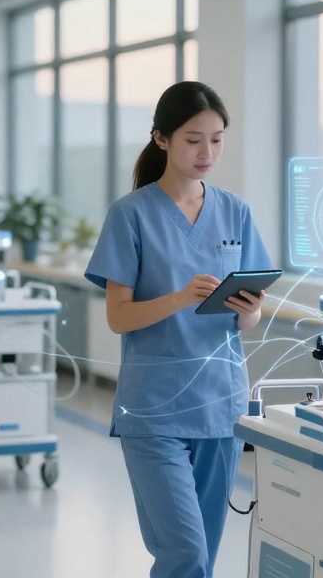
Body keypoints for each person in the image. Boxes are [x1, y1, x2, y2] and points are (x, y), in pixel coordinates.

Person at [84, 81, 271, 578]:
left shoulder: (235, 211)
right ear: (162, 139)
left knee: (203, 556)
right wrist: (179, 298)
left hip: (220, 406)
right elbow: (118, 316)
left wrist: (249, 309)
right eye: (193, 139)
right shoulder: (130, 215)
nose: (207, 152)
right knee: (184, 551)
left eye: (217, 139)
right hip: (153, 409)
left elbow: (249, 320)